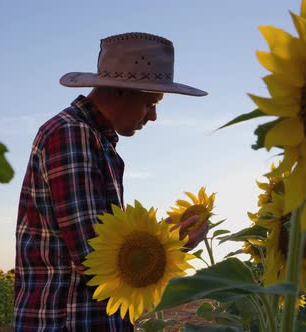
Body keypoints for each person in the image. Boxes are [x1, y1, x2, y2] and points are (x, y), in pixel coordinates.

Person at [14, 32, 209, 331]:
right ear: (122, 91)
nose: (154, 116)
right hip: (68, 321)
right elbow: (92, 254)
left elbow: (106, 241)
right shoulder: (72, 135)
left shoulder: (92, 139)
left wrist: (160, 233)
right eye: (150, 102)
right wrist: (170, 245)